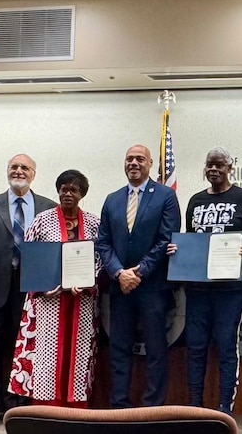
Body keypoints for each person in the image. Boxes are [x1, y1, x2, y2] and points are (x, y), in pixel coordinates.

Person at [168, 147, 242, 416]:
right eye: (209, 165)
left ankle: (225, 408)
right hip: (198, 288)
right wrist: (179, 250)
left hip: (230, 289)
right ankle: (195, 404)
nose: (213, 169)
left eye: (219, 165)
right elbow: (191, 239)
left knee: (226, 347)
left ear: (229, 168)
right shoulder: (196, 201)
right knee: (195, 347)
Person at [0, 154, 56, 429]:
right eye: (14, 167)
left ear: (34, 173)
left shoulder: (49, 207)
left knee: (26, 351)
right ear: (8, 171)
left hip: (33, 291)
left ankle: (18, 405)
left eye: (24, 167)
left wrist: (53, 285)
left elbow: (56, 250)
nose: (19, 171)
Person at [96, 144, 181, 408]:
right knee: (119, 347)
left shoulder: (166, 196)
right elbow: (103, 242)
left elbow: (166, 239)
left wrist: (139, 271)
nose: (134, 163)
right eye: (129, 159)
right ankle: (120, 404)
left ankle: (152, 406)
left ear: (150, 164)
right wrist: (119, 272)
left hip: (153, 286)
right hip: (120, 286)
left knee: (155, 348)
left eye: (140, 159)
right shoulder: (112, 199)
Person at [8, 169, 102, 407]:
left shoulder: (94, 223)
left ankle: (76, 405)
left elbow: (100, 257)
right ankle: (46, 406)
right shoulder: (42, 220)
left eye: (74, 190)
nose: (68, 194)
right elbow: (30, 256)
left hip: (81, 299)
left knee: (79, 352)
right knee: (47, 352)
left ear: (82, 194)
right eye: (64, 189)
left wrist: (88, 281)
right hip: (48, 299)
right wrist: (42, 287)